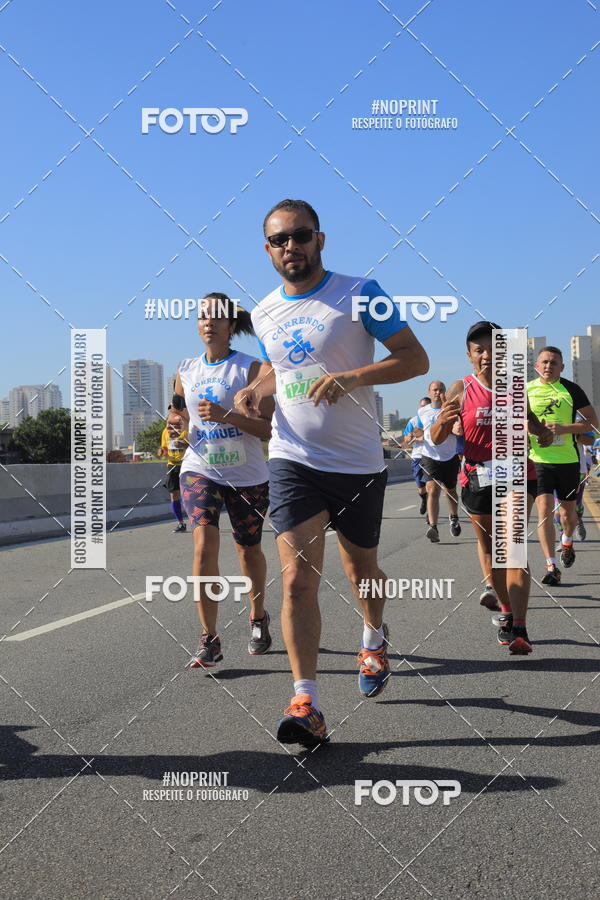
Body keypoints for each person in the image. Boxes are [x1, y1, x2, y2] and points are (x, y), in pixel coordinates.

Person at [234, 198, 429, 746]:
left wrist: (352, 376)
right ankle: (307, 702)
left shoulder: (360, 292)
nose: (290, 247)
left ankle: (373, 636)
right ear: (266, 250)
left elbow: (415, 359)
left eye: (300, 236)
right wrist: (256, 388)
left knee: (360, 568)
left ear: (321, 239)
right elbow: (279, 365)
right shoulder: (265, 310)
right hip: (292, 458)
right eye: (279, 240)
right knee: (296, 578)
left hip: (359, 462)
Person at [431, 321, 552, 653]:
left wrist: (542, 432)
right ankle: (507, 612)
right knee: (490, 552)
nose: (487, 355)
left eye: (494, 349)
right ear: (470, 355)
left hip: (516, 473)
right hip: (477, 477)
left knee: (512, 549)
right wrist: (443, 421)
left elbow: (531, 421)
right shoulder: (461, 389)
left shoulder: (516, 387)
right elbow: (437, 438)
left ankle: (521, 628)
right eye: (479, 350)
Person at [169, 292, 275, 666]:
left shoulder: (253, 370)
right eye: (202, 316)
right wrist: (176, 424)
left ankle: (258, 616)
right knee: (203, 546)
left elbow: (267, 429)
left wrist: (226, 416)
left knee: (248, 551)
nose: (208, 321)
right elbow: (176, 413)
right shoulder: (184, 370)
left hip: (247, 475)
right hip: (200, 469)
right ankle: (209, 637)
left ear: (231, 326)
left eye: (216, 316)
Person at [527, 346, 598, 586]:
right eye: (544, 362)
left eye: (554, 362)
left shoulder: (571, 390)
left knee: (568, 514)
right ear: (536, 366)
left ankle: (567, 542)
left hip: (568, 461)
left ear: (562, 367)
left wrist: (564, 429)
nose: (548, 366)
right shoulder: (526, 390)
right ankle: (551, 565)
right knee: (544, 511)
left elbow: (593, 423)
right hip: (539, 460)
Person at [417, 381, 461, 542]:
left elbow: (458, 427)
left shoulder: (452, 408)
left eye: (441, 389)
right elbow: (421, 430)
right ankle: (433, 527)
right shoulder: (422, 411)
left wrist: (457, 429)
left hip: (449, 455)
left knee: (450, 490)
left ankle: (454, 517)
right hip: (429, 455)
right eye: (435, 390)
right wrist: (417, 434)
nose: (438, 392)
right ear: (429, 392)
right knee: (432, 489)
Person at [554, 421, 594, 544]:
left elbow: (591, 440)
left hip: (577, 470)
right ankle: (563, 536)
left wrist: (570, 433)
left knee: (576, 505)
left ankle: (579, 520)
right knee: (557, 508)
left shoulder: (577, 418)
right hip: (552, 468)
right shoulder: (545, 414)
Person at [157, 413, 189, 532]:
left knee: (190, 494)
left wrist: (184, 444)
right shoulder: (166, 432)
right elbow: (164, 449)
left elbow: (198, 445)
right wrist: (161, 451)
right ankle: (180, 523)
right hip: (172, 466)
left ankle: (198, 520)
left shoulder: (187, 429)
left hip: (187, 464)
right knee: (173, 494)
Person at [402, 396, 431, 515]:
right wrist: (410, 438)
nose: (423, 408)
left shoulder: (434, 418)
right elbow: (406, 439)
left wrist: (420, 437)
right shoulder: (413, 421)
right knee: (420, 486)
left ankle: (430, 512)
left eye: (426, 406)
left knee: (430, 485)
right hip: (417, 456)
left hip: (431, 456)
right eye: (421, 406)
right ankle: (424, 499)